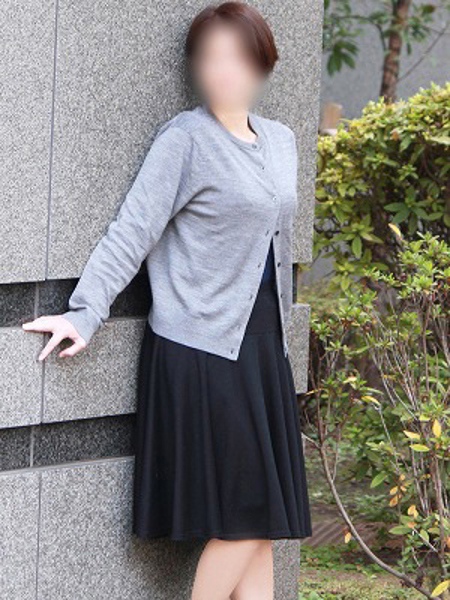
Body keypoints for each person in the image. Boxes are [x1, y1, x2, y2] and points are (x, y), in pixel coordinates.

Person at [22, 2, 312, 598]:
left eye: (236, 56)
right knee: (245, 521)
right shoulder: (185, 139)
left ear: (262, 62)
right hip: (200, 347)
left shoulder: (281, 140)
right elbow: (133, 231)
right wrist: (85, 312)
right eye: (209, 58)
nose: (222, 70)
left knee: (259, 525)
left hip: (264, 347)